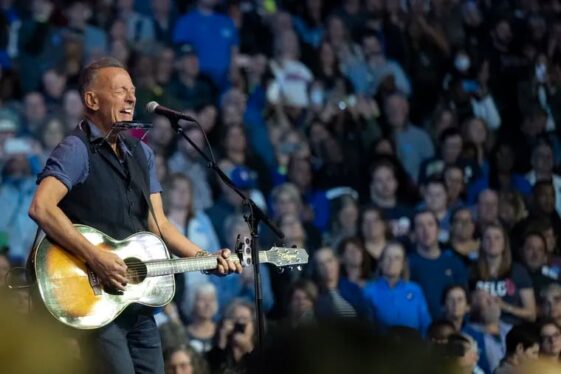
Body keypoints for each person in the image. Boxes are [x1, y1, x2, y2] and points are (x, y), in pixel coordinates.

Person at [28, 57, 241, 373]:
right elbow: (41, 207)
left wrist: (208, 258)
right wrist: (95, 257)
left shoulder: (142, 153)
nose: (131, 99)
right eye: (120, 91)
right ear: (91, 99)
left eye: (133, 92)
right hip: (94, 300)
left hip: (136, 302)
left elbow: (159, 224)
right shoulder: (75, 148)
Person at [470, 224, 536, 325]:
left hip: (510, 327)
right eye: (488, 238)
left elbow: (531, 314)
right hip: (480, 327)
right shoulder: (471, 270)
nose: (492, 242)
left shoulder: (518, 271)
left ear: (504, 243)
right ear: (482, 243)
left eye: (497, 238)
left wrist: (506, 307)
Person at [408, 209, 468, 319]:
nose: (426, 231)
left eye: (430, 224)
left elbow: (464, 300)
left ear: (438, 230)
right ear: (414, 233)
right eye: (420, 226)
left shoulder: (454, 263)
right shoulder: (407, 264)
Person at [363, 242, 432, 334]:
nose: (392, 262)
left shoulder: (415, 290)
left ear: (403, 264)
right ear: (381, 263)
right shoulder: (369, 291)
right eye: (388, 257)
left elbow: (426, 324)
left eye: (397, 258)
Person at [463, 289, 511, 373]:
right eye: (480, 299)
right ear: (470, 308)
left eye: (490, 297)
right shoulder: (468, 335)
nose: (490, 301)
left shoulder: (510, 329)